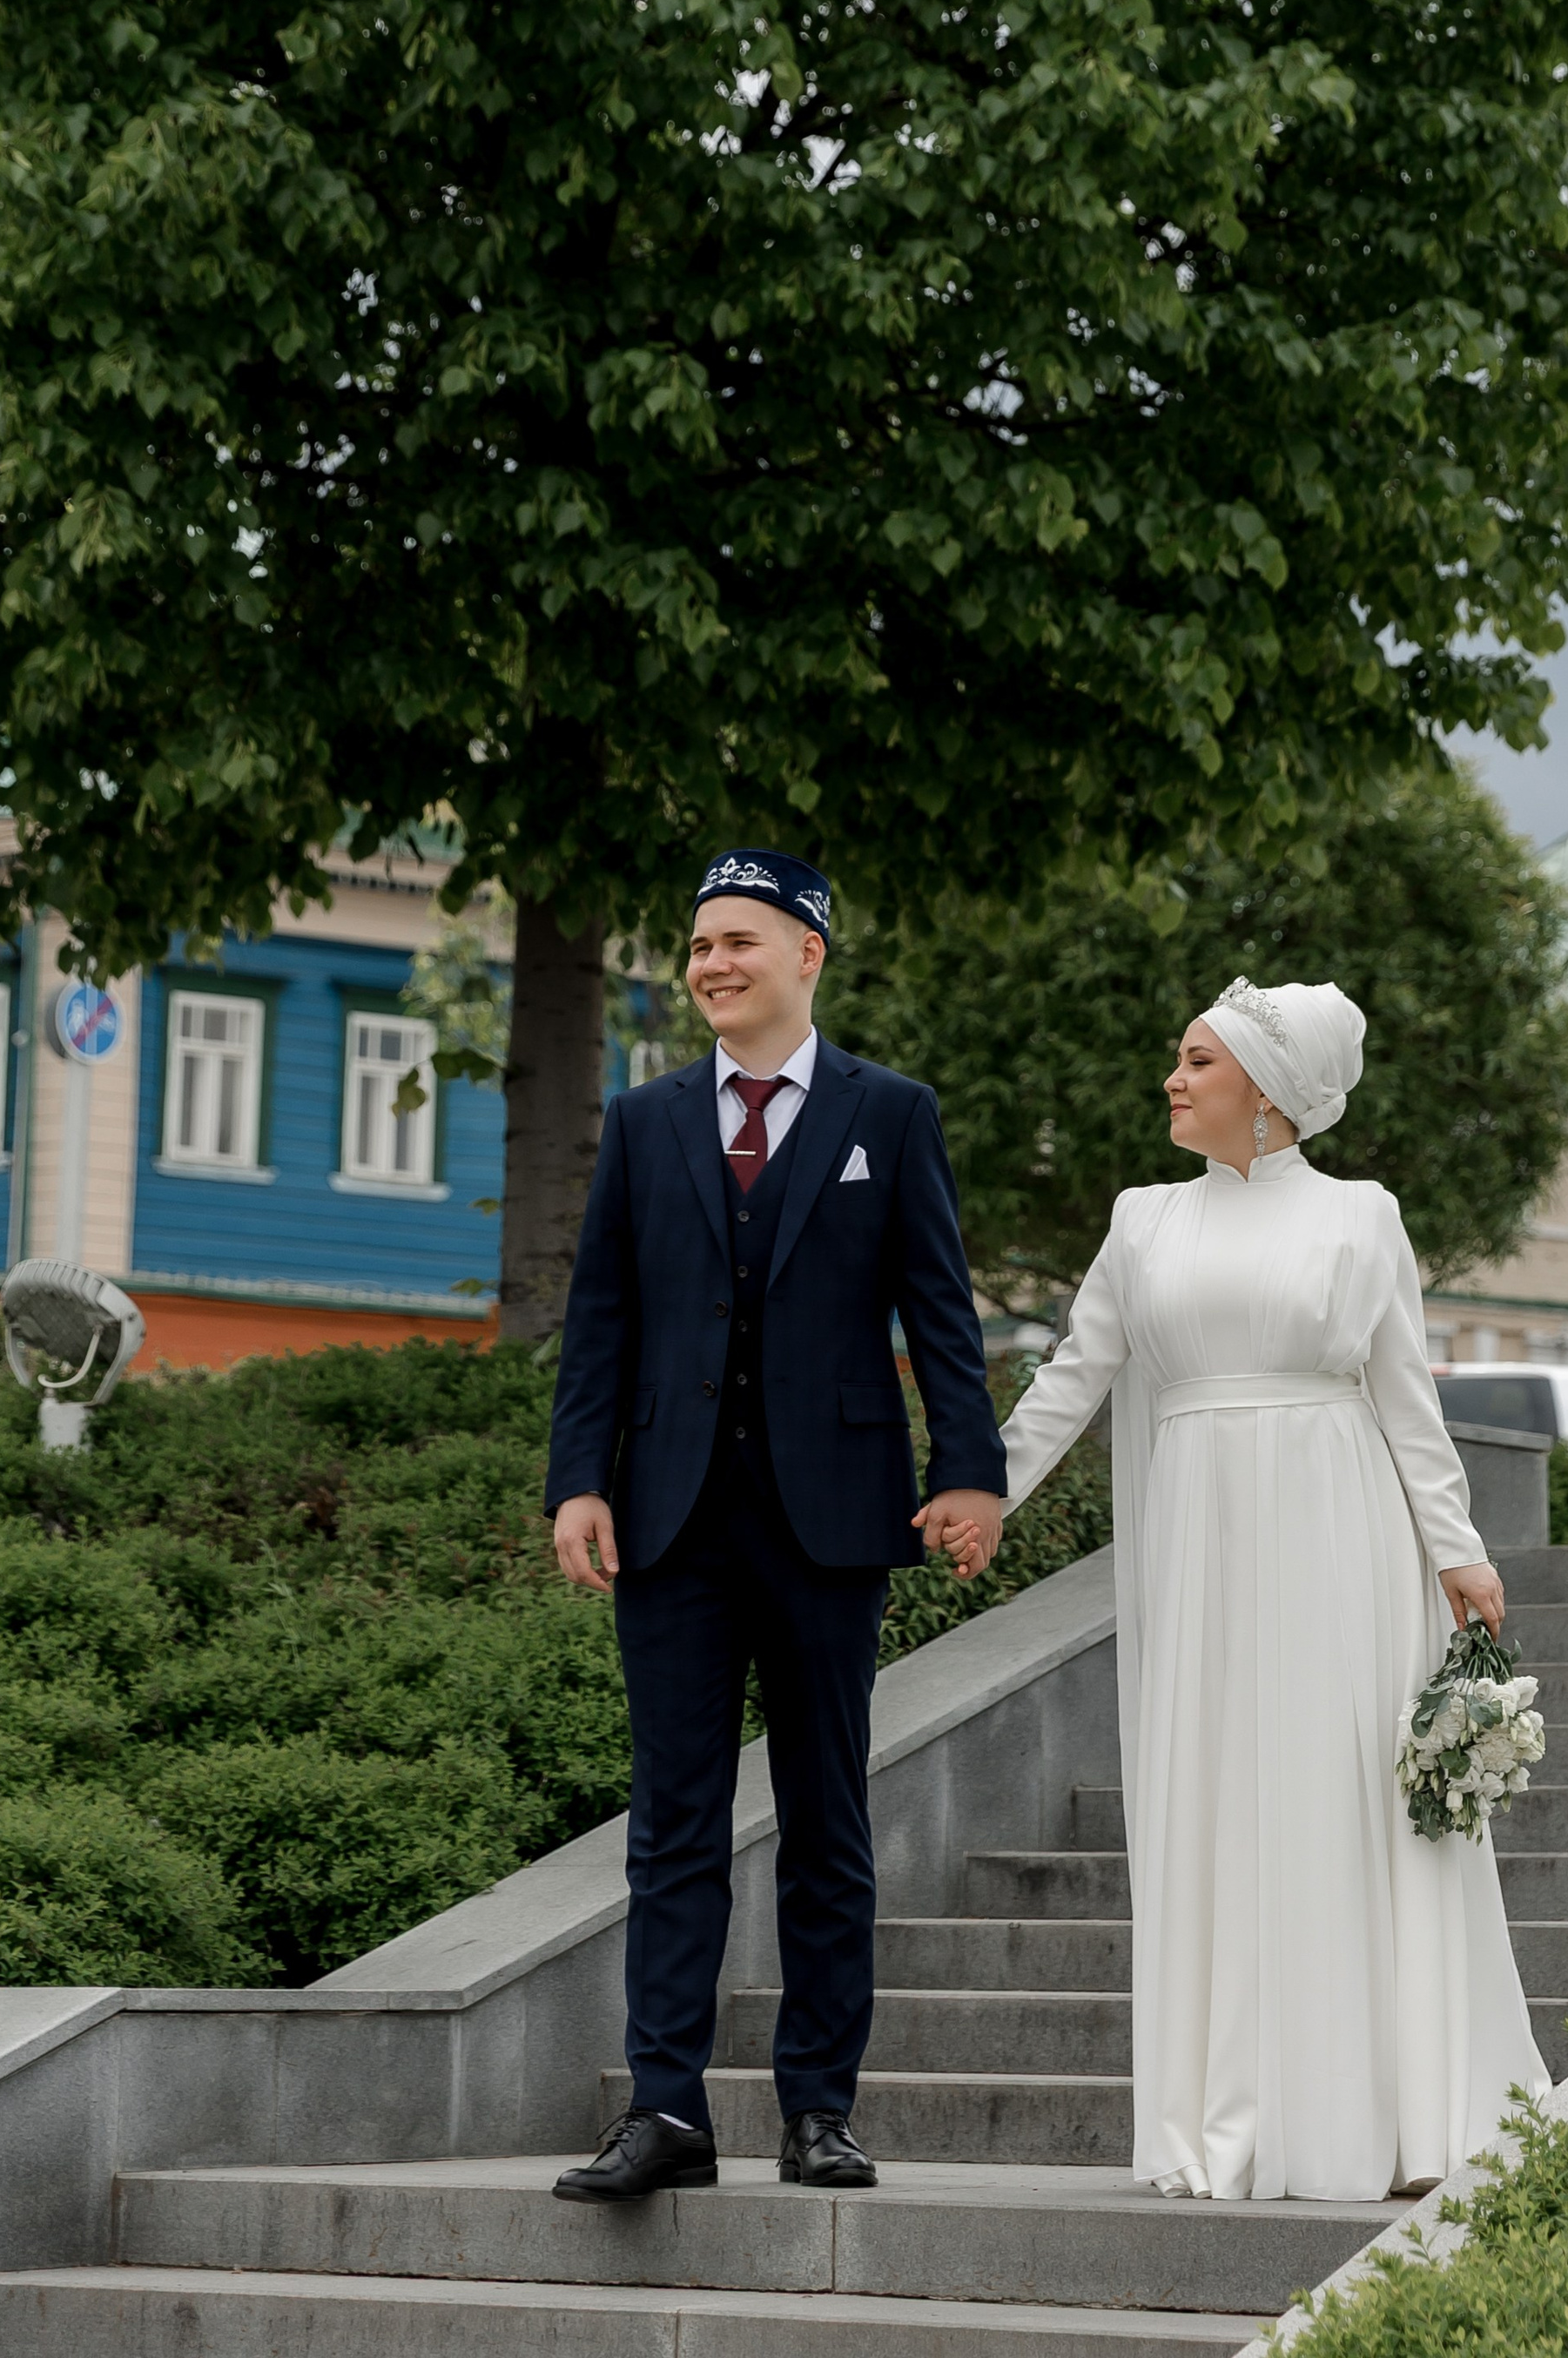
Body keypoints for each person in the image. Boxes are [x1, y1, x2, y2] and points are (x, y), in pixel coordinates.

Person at [940, 974, 1549, 2203]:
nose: (1173, 1077)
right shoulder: (1144, 1219)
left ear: (1268, 1094)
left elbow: (1405, 1398)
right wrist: (987, 1484)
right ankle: (1229, 2115)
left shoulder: (1362, 1217)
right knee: (1217, 1796)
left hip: (1340, 1532)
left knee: (1333, 1800)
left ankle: (1370, 2109)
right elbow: (1076, 1371)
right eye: (1181, 1058)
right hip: (1201, 1542)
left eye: (1197, 1060)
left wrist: (1458, 1547)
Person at [542, 848, 1009, 2201]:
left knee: (826, 1820)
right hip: (670, 1518)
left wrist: (968, 1468)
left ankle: (820, 2109)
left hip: (832, 1521)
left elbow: (943, 1311)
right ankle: (666, 2108)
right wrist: (581, 1477)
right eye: (696, 946)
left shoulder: (892, 1112)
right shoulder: (645, 1122)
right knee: (673, 1822)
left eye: (739, 940)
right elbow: (603, 1322)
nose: (711, 964)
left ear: (809, 952)